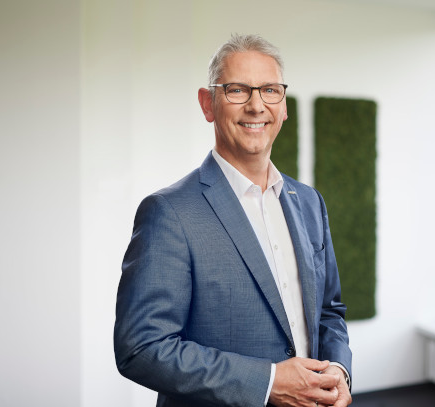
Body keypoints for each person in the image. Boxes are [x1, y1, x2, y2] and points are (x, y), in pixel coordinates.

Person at [114, 34, 352, 407]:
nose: (256, 106)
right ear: (207, 103)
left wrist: (338, 368)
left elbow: (329, 311)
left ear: (283, 106)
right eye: (237, 90)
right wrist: (268, 383)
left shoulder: (309, 202)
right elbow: (141, 348)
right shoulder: (169, 212)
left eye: (270, 90)